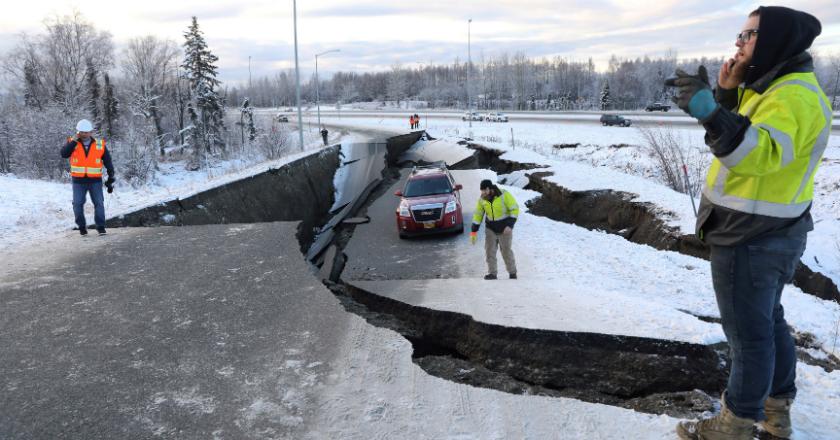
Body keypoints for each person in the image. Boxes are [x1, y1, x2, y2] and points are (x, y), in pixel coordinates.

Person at [666, 7, 830, 440]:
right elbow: (750, 129)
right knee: (768, 323)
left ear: (776, 39)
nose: (738, 42)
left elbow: (753, 154)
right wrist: (725, 94)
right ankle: (776, 412)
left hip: (751, 235)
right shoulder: (777, 87)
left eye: (750, 34)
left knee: (747, 336)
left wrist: (709, 112)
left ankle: (734, 425)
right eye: (740, 34)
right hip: (769, 229)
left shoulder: (794, 97)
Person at [60, 119, 116, 236]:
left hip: (95, 181)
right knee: (77, 204)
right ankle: (81, 227)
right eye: (82, 132)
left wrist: (111, 175)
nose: (84, 134)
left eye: (86, 132)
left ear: (91, 132)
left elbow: (108, 161)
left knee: (99, 203)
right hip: (78, 181)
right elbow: (64, 154)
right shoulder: (72, 143)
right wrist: (73, 142)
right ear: (78, 132)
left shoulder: (100, 144)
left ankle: (101, 227)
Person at [470, 179, 519, 280]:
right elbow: (478, 214)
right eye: (482, 190)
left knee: (506, 251)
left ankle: (512, 272)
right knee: (489, 251)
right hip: (490, 228)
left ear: (490, 188)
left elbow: (514, 209)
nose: (483, 193)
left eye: (484, 190)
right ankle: (492, 273)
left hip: (504, 228)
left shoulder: (504, 195)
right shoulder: (482, 199)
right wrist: (474, 231)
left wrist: (510, 225)